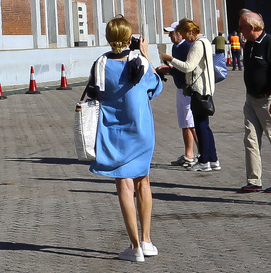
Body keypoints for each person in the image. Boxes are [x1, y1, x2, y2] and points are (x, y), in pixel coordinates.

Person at [83, 17, 162, 262]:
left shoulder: (101, 63)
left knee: (124, 186)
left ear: (109, 38)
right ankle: (147, 240)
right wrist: (146, 54)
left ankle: (135, 246)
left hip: (113, 132)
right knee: (143, 182)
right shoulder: (140, 62)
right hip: (141, 130)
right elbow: (156, 88)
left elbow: (93, 93)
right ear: (130, 39)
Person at [236, 10, 271, 195]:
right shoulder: (248, 45)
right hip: (252, 99)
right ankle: (253, 180)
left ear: (251, 27)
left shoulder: (270, 43)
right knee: (250, 138)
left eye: (241, 27)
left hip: (270, 99)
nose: (239, 30)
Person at [159, 19, 219, 172]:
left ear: (190, 32)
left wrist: (170, 59)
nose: (185, 38)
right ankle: (213, 159)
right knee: (204, 125)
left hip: (199, 89)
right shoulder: (205, 41)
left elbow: (188, 67)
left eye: (185, 34)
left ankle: (204, 160)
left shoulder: (197, 44)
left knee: (200, 126)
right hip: (205, 87)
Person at [162, 25, 197, 168]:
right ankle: (189, 154)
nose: (170, 36)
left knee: (192, 123)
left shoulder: (188, 47)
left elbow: (187, 67)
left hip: (189, 89)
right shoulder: (175, 48)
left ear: (180, 34)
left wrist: (169, 69)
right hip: (180, 88)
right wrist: (169, 69)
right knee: (184, 123)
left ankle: (203, 155)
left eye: (172, 33)